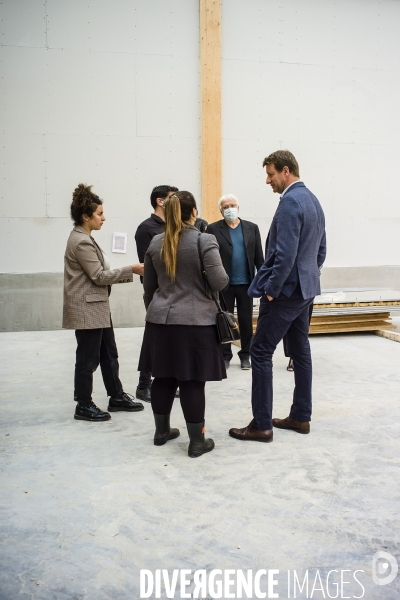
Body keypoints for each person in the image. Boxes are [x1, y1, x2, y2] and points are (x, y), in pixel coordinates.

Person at [229, 150, 326, 442]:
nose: (268, 181)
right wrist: (306, 278)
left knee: (259, 352)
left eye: (271, 174)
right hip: (305, 291)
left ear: (286, 171)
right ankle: (300, 417)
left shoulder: (290, 203)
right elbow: (320, 251)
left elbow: (284, 256)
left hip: (284, 293)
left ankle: (261, 425)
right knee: (300, 351)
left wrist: (272, 290)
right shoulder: (313, 200)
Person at [138, 191, 229, 457]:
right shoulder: (205, 240)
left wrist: (158, 311)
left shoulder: (156, 243)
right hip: (196, 323)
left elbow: (149, 289)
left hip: (160, 321)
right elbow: (220, 282)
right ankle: (197, 442)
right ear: (193, 213)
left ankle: (161, 431)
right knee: (191, 382)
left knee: (162, 377)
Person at [63, 184, 145, 422]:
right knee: (87, 359)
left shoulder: (86, 237)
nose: (104, 218)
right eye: (99, 214)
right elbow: (98, 276)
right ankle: (83, 404)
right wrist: (131, 269)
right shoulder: (81, 241)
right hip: (87, 307)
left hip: (97, 306)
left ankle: (116, 396)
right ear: (85, 216)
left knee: (109, 354)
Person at [207, 194, 264, 370]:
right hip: (224, 284)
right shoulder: (213, 229)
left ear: (238, 208)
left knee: (246, 320)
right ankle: (225, 355)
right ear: (221, 210)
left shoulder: (251, 228)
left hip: (247, 283)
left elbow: (259, 258)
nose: (230, 209)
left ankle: (245, 354)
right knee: (225, 320)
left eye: (232, 205)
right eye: (225, 207)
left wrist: (263, 282)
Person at [134, 184, 178, 402]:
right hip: (157, 293)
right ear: (161, 201)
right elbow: (146, 267)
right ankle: (144, 385)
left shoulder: (173, 226)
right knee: (155, 337)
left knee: (170, 339)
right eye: (173, 198)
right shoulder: (146, 229)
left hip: (175, 292)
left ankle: (166, 381)